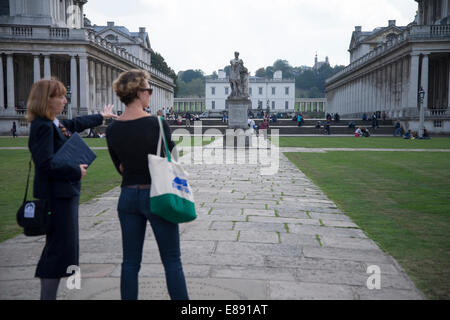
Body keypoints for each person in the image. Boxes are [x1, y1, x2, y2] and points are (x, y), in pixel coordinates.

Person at [26, 78, 117, 300]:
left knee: (63, 249)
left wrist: (101, 117)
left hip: (65, 195)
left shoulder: (54, 123)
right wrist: (75, 170)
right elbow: (45, 163)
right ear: (47, 100)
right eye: (60, 96)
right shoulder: (42, 126)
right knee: (58, 250)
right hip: (56, 197)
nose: (65, 101)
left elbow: (75, 124)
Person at [106, 69, 189, 300]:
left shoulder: (112, 129)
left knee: (130, 262)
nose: (150, 94)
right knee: (172, 261)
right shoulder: (158, 123)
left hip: (128, 196)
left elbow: (119, 167)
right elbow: (171, 157)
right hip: (157, 194)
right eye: (148, 90)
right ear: (139, 93)